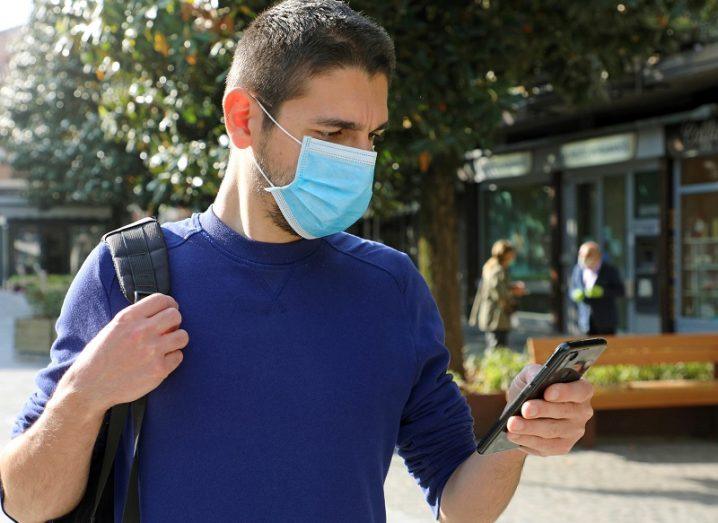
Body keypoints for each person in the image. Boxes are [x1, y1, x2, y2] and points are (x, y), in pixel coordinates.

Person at [0, 2, 595, 522]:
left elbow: (458, 505)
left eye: (372, 137)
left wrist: (518, 435)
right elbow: (25, 502)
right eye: (334, 133)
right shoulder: (125, 274)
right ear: (243, 119)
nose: (361, 160)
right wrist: (84, 393)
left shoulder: (390, 288)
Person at [469, 240, 525, 349]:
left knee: (499, 345)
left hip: (498, 317)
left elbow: (500, 287)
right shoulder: (496, 270)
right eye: (511, 253)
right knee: (496, 346)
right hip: (496, 317)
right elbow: (498, 293)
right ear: (505, 254)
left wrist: (512, 287)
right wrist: (514, 291)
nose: (513, 256)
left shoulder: (496, 267)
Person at [569, 241, 626, 335]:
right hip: (585, 323)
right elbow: (572, 289)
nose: (583, 258)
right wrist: (575, 294)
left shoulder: (609, 270)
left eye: (587, 255)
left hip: (606, 323)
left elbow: (620, 291)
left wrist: (603, 292)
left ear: (598, 256)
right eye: (581, 255)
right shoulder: (578, 269)